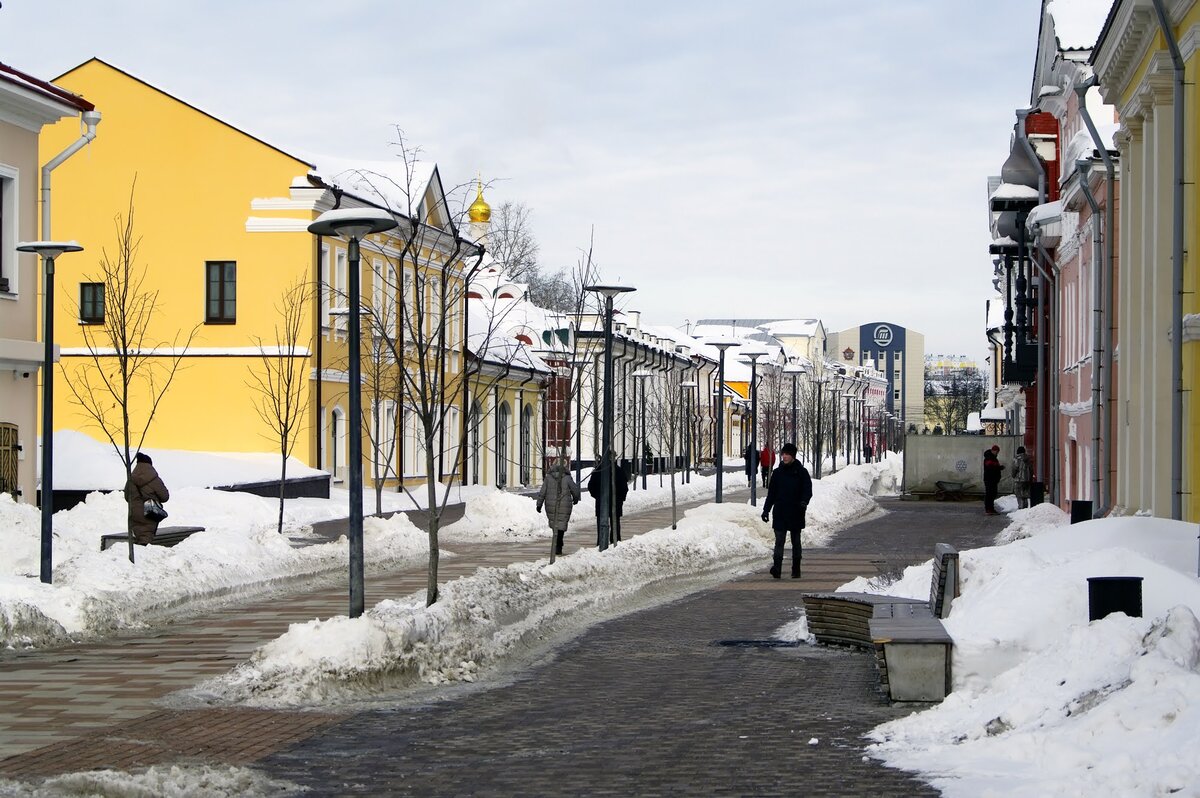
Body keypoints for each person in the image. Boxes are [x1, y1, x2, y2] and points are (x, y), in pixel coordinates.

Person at [761, 442, 812, 579]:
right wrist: (766, 510)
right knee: (779, 541)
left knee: (796, 541)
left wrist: (803, 502)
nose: (784, 456)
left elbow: (807, 490)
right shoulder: (777, 473)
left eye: (787, 454)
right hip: (780, 511)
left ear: (793, 456)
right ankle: (776, 568)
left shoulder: (801, 472)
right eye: (783, 454)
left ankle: (796, 569)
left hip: (796, 511)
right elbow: (771, 494)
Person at [124, 452, 169, 545]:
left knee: (138, 537)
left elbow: (127, 497)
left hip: (134, 512)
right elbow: (165, 497)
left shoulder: (130, 479)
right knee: (146, 538)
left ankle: (136, 556)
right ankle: (142, 556)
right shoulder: (154, 479)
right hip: (149, 512)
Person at [537, 460, 581, 556]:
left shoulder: (548, 478)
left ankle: (556, 543)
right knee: (561, 524)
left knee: (554, 524)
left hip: (550, 505)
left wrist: (539, 504)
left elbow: (542, 492)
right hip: (564, 505)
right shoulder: (567, 478)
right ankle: (559, 544)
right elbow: (575, 490)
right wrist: (576, 499)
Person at [587, 455, 630, 544]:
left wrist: (597, 496)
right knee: (615, 522)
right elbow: (624, 487)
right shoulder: (619, 471)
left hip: (602, 501)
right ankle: (615, 540)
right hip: (616, 501)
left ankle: (601, 541)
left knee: (601, 522)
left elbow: (591, 486)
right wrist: (621, 499)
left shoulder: (598, 471)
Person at [982, 445, 1004, 515]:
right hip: (990, 479)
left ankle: (991, 508)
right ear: (993, 450)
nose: (997, 453)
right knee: (990, 494)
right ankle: (989, 509)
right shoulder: (989, 458)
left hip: (993, 479)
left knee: (992, 494)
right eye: (997, 452)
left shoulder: (993, 458)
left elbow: (993, 467)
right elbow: (991, 468)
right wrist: (999, 468)